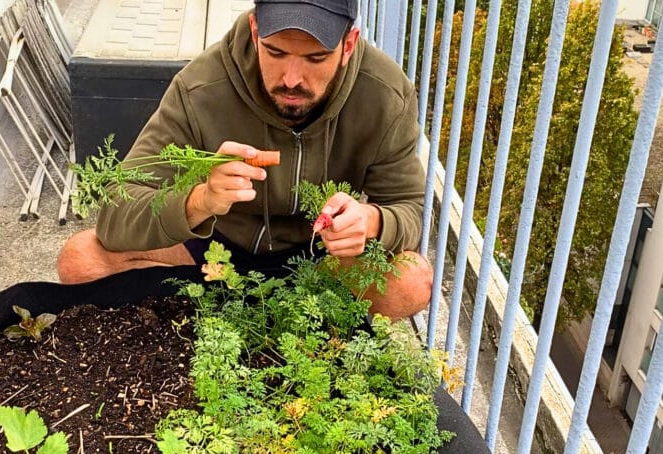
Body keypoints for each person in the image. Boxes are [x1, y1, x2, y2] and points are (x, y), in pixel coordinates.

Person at [57, 0, 432, 320]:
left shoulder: (384, 93)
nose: (291, 78)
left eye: (316, 57)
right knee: (81, 260)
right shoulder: (201, 86)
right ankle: (214, 323)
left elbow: (409, 209)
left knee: (412, 280)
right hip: (213, 252)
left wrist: (371, 221)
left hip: (320, 259)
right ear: (255, 31)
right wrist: (198, 201)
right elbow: (115, 213)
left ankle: (298, 323)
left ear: (349, 44)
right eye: (275, 52)